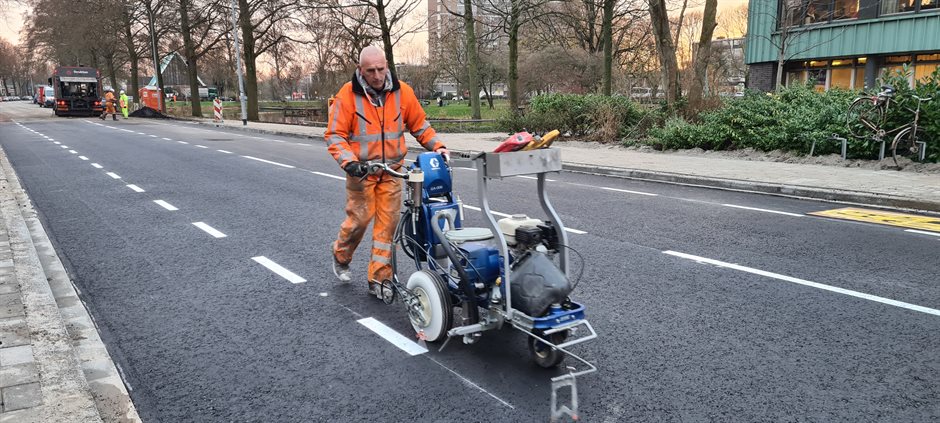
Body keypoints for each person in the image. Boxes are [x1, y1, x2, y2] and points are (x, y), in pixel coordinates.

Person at [325, 45, 449, 298]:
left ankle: (379, 280)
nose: (377, 75)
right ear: (361, 70)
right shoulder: (347, 96)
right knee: (359, 220)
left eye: (381, 69)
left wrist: (438, 147)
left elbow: (420, 125)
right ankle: (340, 254)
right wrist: (349, 162)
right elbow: (335, 134)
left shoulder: (403, 92)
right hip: (361, 173)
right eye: (370, 71)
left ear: (387, 66)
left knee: (386, 227)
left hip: (392, 172)